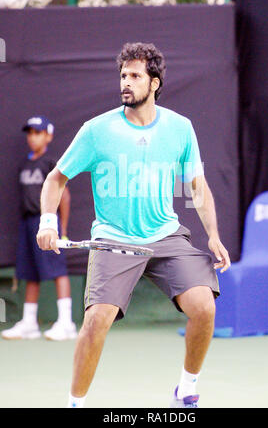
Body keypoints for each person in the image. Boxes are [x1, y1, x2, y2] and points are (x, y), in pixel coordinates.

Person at [36, 42, 231, 408]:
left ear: (154, 82)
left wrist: (214, 236)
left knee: (205, 306)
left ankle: (186, 388)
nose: (126, 82)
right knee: (96, 322)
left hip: (165, 234)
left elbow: (196, 186)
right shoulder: (96, 131)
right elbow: (55, 179)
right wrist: (48, 223)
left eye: (135, 76)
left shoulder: (180, 129)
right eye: (123, 75)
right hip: (113, 238)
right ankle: (75, 403)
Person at [2, 116, 77, 341]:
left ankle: (66, 323)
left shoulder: (51, 164)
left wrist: (59, 227)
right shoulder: (24, 164)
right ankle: (29, 323)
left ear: (48, 136)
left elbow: (64, 196)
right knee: (29, 272)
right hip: (27, 224)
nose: (33, 137)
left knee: (57, 271)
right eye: (30, 132)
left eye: (38, 132)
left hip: (47, 223)